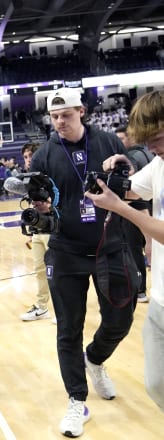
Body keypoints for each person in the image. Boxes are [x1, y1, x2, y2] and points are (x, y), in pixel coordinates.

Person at [30, 88, 136, 437]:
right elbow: (41, 198)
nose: (60, 121)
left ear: (82, 111)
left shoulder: (108, 143)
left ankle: (96, 358)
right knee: (68, 329)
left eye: (67, 114)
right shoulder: (44, 155)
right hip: (66, 251)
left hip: (111, 245)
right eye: (55, 116)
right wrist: (42, 208)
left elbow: (130, 185)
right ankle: (77, 400)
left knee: (120, 319)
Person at [85, 90, 164, 412]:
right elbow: (132, 189)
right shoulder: (159, 162)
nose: (154, 148)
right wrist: (119, 171)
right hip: (160, 300)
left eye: (158, 138)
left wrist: (120, 208)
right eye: (148, 143)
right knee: (156, 384)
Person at [115, 126, 153, 303]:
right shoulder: (149, 154)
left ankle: (140, 290)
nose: (119, 143)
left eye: (121, 138)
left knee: (134, 249)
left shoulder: (131, 157)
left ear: (131, 138)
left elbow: (129, 186)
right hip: (151, 208)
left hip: (138, 208)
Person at [18, 143, 53, 321]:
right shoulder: (28, 181)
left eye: (31, 155)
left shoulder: (50, 176)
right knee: (40, 270)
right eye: (25, 157)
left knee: (57, 270)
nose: (28, 159)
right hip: (38, 231)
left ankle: (63, 308)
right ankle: (42, 307)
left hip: (53, 229)